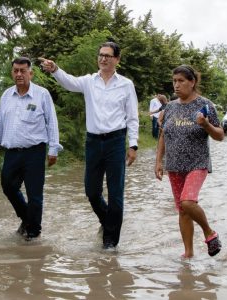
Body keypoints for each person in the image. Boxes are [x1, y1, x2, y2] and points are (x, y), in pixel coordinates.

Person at [39, 41, 139, 249]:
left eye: (108, 56)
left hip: (116, 141)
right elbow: (69, 82)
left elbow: (132, 118)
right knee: (91, 191)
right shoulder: (88, 81)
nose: (103, 58)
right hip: (93, 141)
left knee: (115, 193)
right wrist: (55, 69)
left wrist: (133, 145)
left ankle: (110, 244)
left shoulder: (126, 84)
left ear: (117, 60)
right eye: (101, 55)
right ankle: (108, 221)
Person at [0, 57, 62, 241]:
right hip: (12, 152)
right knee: (8, 186)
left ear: (31, 73)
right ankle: (28, 219)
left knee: (34, 194)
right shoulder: (6, 95)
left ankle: (33, 234)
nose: (19, 74)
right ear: (12, 73)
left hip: (34, 152)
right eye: (15, 71)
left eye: (22, 70)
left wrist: (53, 149)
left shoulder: (42, 94)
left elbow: (52, 122)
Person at [154, 65, 224, 258]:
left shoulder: (205, 105)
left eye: (181, 81)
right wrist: (158, 162)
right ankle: (188, 254)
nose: (176, 85)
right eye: (174, 81)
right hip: (174, 165)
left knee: (187, 201)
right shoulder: (169, 107)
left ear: (192, 82)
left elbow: (220, 136)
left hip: (197, 163)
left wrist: (206, 124)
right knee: (183, 211)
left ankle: (209, 233)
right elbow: (163, 135)